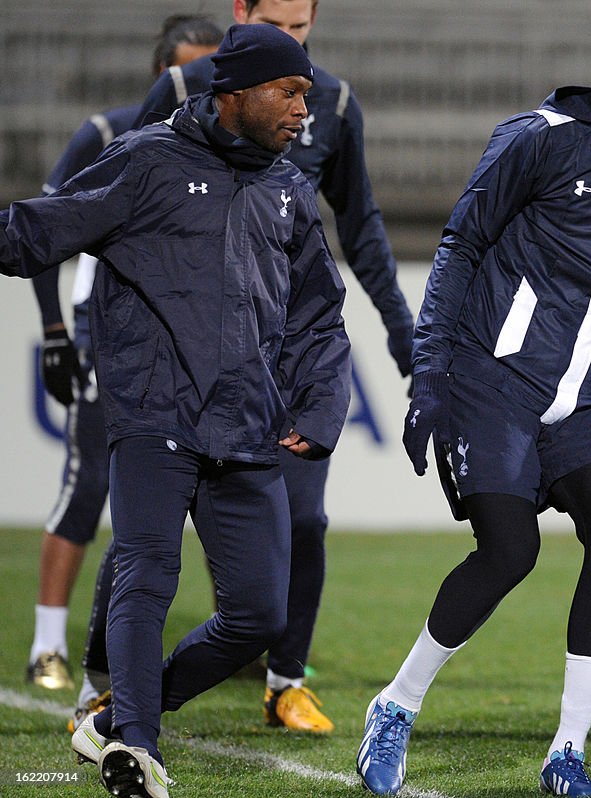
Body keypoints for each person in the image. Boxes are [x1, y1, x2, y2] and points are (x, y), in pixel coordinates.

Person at [356, 13, 591, 797]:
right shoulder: (545, 136)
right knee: (510, 551)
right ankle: (394, 706)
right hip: (494, 381)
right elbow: (461, 243)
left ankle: (566, 754)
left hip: (586, 406)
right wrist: (431, 376)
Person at [2, 24, 351, 798]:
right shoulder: (147, 159)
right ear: (235, 94)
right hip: (153, 412)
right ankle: (136, 748)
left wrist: (322, 407)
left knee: (259, 617)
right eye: (290, 92)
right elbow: (38, 229)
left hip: (248, 424)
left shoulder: (290, 190)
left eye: (307, 95)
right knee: (145, 575)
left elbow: (319, 317)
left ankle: (117, 717)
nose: (305, 109)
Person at [63, 0, 414, 735]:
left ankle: (275, 682)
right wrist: (77, 330)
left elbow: (350, 252)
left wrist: (388, 341)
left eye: (302, 29)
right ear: (242, 19)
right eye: (277, 31)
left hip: (263, 386)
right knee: (144, 558)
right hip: (163, 383)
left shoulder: (317, 135)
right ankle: (120, 706)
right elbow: (90, 210)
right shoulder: (176, 109)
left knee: (290, 549)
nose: (300, 94)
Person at [25, 15, 224, 699]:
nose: (203, 85)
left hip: (189, 343)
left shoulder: (229, 149)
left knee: (200, 494)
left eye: (214, 70)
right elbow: (44, 229)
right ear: (160, 74)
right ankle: (47, 645)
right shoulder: (110, 136)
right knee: (88, 487)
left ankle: (245, 638)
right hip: (106, 332)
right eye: (190, 71)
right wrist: (55, 333)